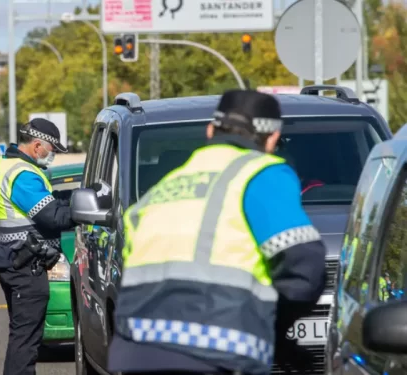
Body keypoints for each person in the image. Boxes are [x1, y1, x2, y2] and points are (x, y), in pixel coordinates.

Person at [108, 90, 327, 375]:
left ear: (211, 130)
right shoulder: (261, 173)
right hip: (217, 352)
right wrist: (277, 332)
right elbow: (305, 266)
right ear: (272, 138)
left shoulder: (161, 191)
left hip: (135, 355)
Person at [0, 118, 78, 375]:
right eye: (53, 150)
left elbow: (48, 203)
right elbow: (52, 217)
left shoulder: (7, 165)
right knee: (26, 337)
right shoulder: (23, 175)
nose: (54, 156)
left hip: (13, 258)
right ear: (37, 145)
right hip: (24, 263)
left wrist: (68, 198)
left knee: (23, 334)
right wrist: (83, 211)